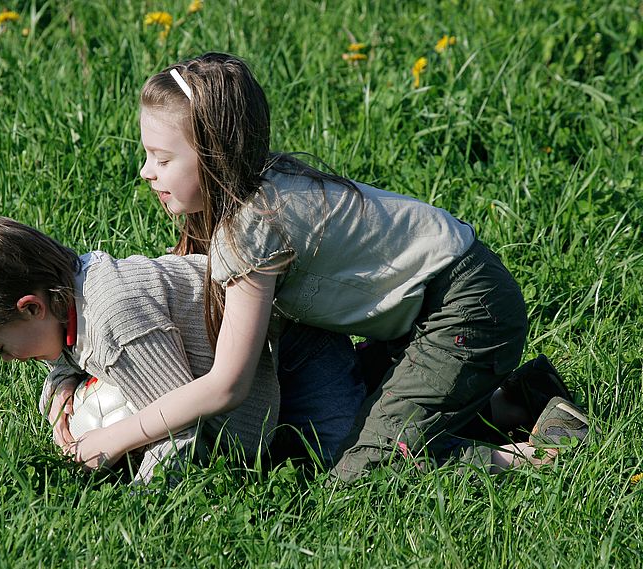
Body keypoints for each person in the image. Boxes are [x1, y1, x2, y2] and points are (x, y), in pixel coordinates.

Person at [64, 51, 589, 482]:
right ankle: (520, 400)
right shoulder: (245, 196)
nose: (145, 171)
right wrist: (72, 376)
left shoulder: (251, 228)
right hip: (435, 309)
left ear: (215, 154)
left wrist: (115, 437)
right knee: (349, 417)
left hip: (464, 312)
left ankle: (546, 458)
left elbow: (228, 384)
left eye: (162, 157)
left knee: (360, 469)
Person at [0, 214, 282, 484]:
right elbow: (69, 356)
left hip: (250, 425)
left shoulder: (116, 323)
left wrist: (141, 500)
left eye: (1, 347)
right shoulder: (71, 294)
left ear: (32, 308)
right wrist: (60, 390)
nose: (7, 359)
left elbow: (179, 423)